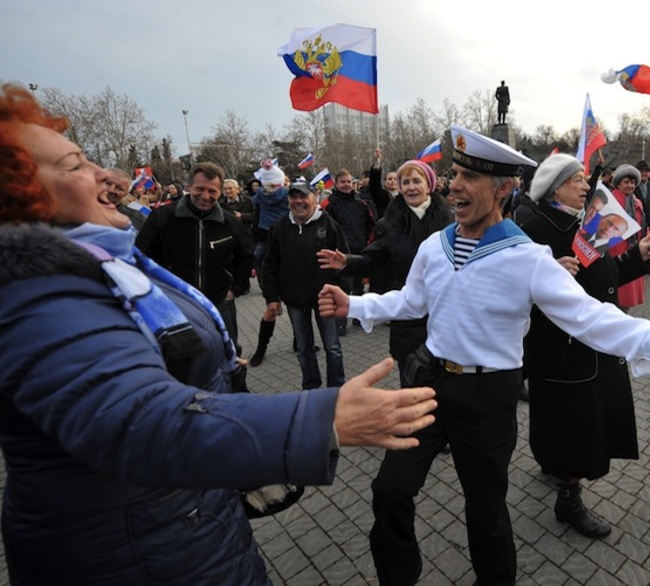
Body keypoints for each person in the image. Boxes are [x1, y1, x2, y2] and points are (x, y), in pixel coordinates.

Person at [0, 83, 439, 585]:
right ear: (18, 193)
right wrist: (320, 418)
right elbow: (143, 423)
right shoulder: (40, 293)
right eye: (76, 164)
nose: (106, 175)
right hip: (132, 554)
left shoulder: (94, 266)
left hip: (179, 526)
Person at [318, 124, 650, 586]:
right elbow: (412, 301)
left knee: (484, 511)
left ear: (504, 189)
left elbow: (586, 315)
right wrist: (356, 305)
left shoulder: (528, 258)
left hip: (488, 399)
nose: (455, 185)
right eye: (455, 173)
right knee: (389, 491)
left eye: (470, 177)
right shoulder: (435, 246)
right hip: (428, 387)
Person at [521, 153, 650, 539]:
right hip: (561, 347)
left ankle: (555, 467)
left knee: (572, 420)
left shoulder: (584, 223)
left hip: (595, 340)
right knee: (573, 423)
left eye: (585, 179)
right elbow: (512, 287)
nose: (587, 186)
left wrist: (637, 256)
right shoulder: (532, 228)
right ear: (554, 187)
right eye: (577, 180)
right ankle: (568, 501)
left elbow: (604, 276)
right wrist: (544, 276)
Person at [318, 159, 454, 385]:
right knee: (412, 384)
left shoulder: (450, 219)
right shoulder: (389, 223)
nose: (411, 187)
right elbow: (374, 259)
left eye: (416, 181)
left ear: (429, 185)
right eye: (405, 182)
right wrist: (347, 262)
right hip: (407, 315)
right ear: (399, 188)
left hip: (446, 312)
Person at [136, 162, 253, 353]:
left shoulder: (230, 221)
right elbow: (143, 257)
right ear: (189, 186)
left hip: (219, 302)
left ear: (220, 192)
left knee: (229, 353)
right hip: (175, 304)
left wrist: (235, 289)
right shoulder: (163, 217)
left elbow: (246, 256)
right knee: (182, 359)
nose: (205, 196)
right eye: (200, 189)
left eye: (212, 191)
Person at [263, 182, 348, 389]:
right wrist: (272, 297)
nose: (298, 202)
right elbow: (270, 264)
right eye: (293, 197)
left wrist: (342, 294)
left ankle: (336, 389)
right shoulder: (279, 227)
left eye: (303, 197)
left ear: (314, 198)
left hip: (325, 299)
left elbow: (345, 261)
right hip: (294, 299)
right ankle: (311, 387)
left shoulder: (329, 225)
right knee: (303, 348)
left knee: (333, 347)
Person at [321, 168, 376, 333]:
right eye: (343, 182)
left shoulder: (361, 203)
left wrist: (367, 243)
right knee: (343, 287)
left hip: (360, 250)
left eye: (349, 182)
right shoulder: (329, 205)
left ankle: (359, 317)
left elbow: (370, 225)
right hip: (340, 253)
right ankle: (340, 321)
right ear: (336, 184)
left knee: (358, 287)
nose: (346, 185)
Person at [248, 162, 291, 365]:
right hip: (269, 256)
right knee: (271, 309)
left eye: (275, 186)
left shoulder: (288, 196)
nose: (271, 191)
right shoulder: (260, 199)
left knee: (296, 307)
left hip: (288, 255)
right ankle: (260, 349)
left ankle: (300, 342)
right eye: (268, 186)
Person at [609, 164, 648, 311]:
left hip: (632, 253)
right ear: (618, 183)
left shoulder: (637, 203)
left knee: (625, 304)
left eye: (632, 182)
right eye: (626, 182)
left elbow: (642, 227)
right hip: (615, 255)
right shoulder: (609, 203)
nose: (630, 185)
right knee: (615, 300)